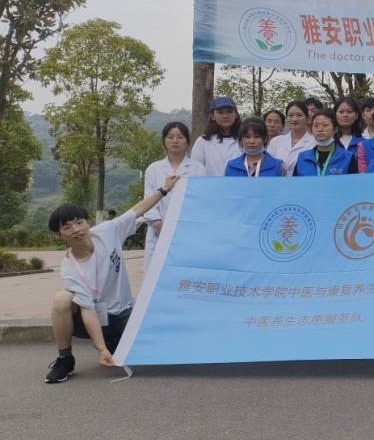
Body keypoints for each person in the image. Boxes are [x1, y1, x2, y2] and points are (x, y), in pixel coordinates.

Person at [45, 173, 182, 383]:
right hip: (93, 321)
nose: (76, 230)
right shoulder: (70, 268)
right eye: (67, 227)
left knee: (167, 348)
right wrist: (100, 349)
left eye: (79, 222)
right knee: (61, 299)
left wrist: (164, 190)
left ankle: (115, 342)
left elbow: (137, 210)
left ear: (88, 222)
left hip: (125, 315)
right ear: (59, 234)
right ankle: (65, 358)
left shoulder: (107, 231)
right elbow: (88, 310)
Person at [142, 122, 206, 272]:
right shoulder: (154, 169)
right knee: (156, 275)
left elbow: (201, 203)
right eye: (170, 137)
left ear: (188, 141)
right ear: (164, 141)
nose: (175, 141)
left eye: (180, 137)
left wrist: (182, 229)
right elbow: (148, 202)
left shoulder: (198, 169)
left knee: (184, 275)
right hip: (158, 232)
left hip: (188, 233)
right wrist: (161, 227)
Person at [293, 111, 358, 176]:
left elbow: (354, 181)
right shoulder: (302, 158)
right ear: (311, 129)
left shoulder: (348, 157)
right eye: (316, 126)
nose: (320, 129)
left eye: (325, 125)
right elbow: (295, 181)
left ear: (335, 129)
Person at [189, 96, 240, 176]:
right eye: (220, 112)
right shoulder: (202, 141)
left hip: (240, 183)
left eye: (229, 112)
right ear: (212, 116)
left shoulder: (244, 140)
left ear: (236, 115)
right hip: (210, 184)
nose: (225, 116)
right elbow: (195, 170)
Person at [267, 101, 315, 175]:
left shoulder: (314, 143)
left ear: (307, 117)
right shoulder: (276, 141)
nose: (294, 119)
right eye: (291, 115)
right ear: (286, 118)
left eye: (299, 115)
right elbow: (267, 166)